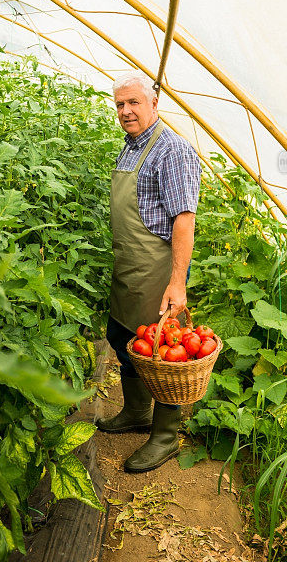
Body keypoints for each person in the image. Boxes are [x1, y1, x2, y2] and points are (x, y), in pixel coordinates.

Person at [96, 70, 201, 473]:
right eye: (120, 104)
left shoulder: (171, 151)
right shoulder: (131, 147)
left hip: (157, 268)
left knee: (164, 355)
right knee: (124, 338)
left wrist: (177, 282)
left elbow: (183, 221)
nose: (125, 111)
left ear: (154, 103)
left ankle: (165, 437)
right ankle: (137, 413)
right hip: (129, 265)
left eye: (134, 102)